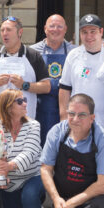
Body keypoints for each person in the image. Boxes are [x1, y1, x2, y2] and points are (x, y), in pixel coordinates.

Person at [0, 89, 44, 208]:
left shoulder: (33, 125)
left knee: (29, 196)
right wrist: (1, 176)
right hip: (10, 182)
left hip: (33, 176)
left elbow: (30, 153)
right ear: (8, 107)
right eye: (20, 101)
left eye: (24, 100)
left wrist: (8, 167)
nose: (25, 103)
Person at [58, 14, 104, 135]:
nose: (89, 36)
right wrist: (64, 118)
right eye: (84, 32)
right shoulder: (73, 55)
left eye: (93, 31)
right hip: (77, 120)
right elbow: (64, 88)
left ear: (101, 32)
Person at [0, 16, 50, 120]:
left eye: (9, 30)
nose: (4, 33)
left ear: (20, 32)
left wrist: (24, 85)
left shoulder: (33, 56)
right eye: (2, 30)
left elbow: (46, 87)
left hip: (25, 120)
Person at [30, 14, 75, 144]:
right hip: (40, 108)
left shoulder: (74, 52)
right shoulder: (33, 51)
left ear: (65, 29)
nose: (56, 29)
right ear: (45, 29)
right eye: (52, 26)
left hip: (67, 107)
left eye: (59, 26)